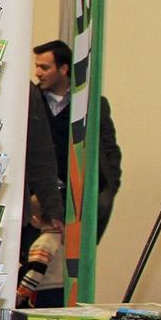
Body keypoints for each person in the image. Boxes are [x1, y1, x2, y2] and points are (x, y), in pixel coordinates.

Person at [32, 41, 122, 237]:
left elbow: (110, 150)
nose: (38, 73)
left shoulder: (92, 105)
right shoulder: (31, 101)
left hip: (79, 201)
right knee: (39, 252)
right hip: (39, 201)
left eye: (45, 67)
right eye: (37, 66)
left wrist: (108, 188)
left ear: (63, 69)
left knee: (71, 252)